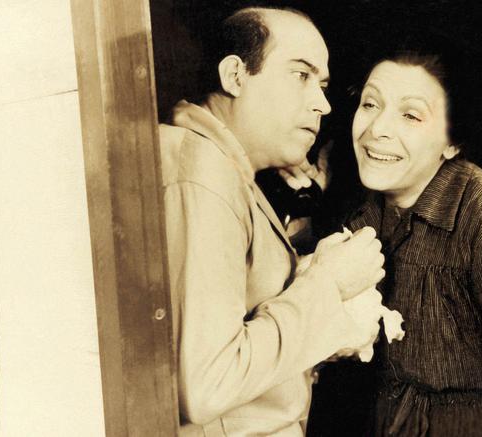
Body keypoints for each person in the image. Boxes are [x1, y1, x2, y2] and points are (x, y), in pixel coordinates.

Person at [301, 52, 482, 436]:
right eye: (370, 104)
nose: (377, 129)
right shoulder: (363, 214)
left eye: (410, 115)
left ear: (452, 142)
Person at [158, 7, 385, 436]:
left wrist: (305, 284)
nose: (322, 104)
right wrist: (328, 286)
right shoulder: (204, 175)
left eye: (322, 86)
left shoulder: (222, 167)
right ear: (235, 76)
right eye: (300, 75)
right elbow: (207, 386)